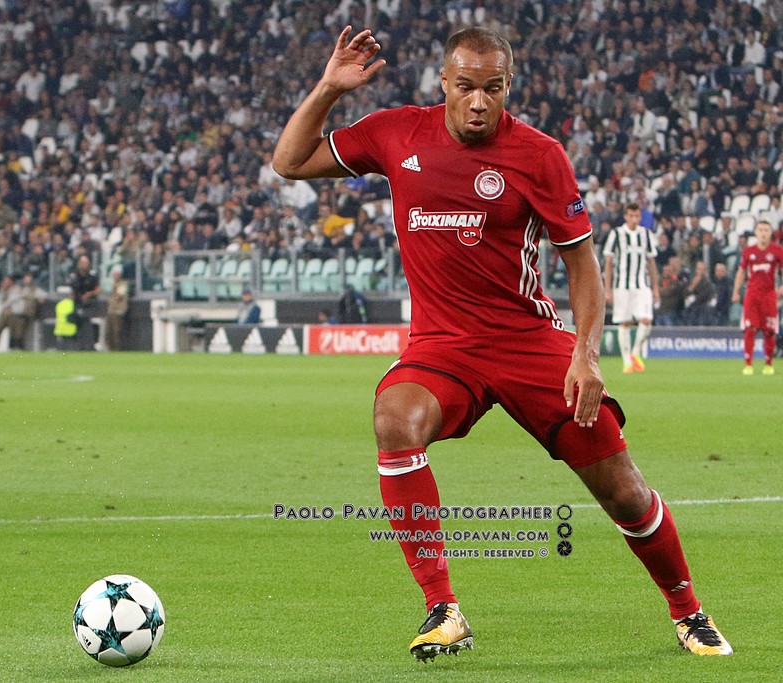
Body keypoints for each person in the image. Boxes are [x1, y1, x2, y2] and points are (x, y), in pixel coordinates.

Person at [273, 26, 731, 660]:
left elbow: (582, 264)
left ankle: (689, 611)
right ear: (444, 83)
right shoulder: (395, 132)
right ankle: (443, 608)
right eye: (466, 87)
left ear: (508, 86)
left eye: (493, 88)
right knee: (394, 419)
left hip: (526, 341)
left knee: (622, 489)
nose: (479, 101)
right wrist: (328, 88)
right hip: (442, 346)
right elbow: (288, 162)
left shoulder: (539, 155)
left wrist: (586, 354)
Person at [602, 203, 660, 373]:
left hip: (642, 284)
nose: (634, 219)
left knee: (646, 319)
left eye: (637, 216)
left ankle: (635, 352)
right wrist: (607, 289)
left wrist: (655, 287)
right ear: (625, 216)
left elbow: (651, 262)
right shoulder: (616, 234)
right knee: (625, 322)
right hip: (622, 285)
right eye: (631, 216)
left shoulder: (646, 234)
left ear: (640, 217)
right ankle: (627, 361)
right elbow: (608, 262)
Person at [732, 220, 783, 375]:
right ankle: (748, 364)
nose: (763, 233)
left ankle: (768, 364)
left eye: (766, 230)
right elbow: (741, 272)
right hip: (752, 295)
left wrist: (781, 288)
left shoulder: (777, 250)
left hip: (769, 295)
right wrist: (736, 290)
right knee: (750, 329)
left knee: (769, 331)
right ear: (756, 232)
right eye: (760, 230)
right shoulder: (748, 251)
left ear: (771, 232)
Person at [0, 273, 42, 351]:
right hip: (7, 313)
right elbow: (2, 301)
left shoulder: (23, 289)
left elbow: (39, 296)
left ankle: (17, 349)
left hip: (18, 314)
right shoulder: (7, 290)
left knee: (17, 334)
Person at [68, 255, 101, 350]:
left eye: (86, 263)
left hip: (90, 303)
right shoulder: (74, 276)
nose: (84, 265)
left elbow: (98, 289)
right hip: (78, 303)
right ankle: (79, 346)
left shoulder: (93, 275)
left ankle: (89, 345)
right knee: (78, 321)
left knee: (87, 322)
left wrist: (89, 294)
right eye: (82, 263)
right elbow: (72, 289)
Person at [104, 267, 130, 351]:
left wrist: (112, 297)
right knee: (109, 332)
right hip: (111, 311)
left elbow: (118, 297)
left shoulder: (123, 285)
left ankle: (118, 349)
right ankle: (110, 349)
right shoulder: (113, 285)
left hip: (118, 311)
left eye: (116, 275)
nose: (115, 277)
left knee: (117, 332)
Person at [53, 285, 78, 351]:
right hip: (71, 330)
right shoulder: (73, 304)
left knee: (61, 350)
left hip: (60, 330)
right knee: (71, 350)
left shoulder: (59, 304)